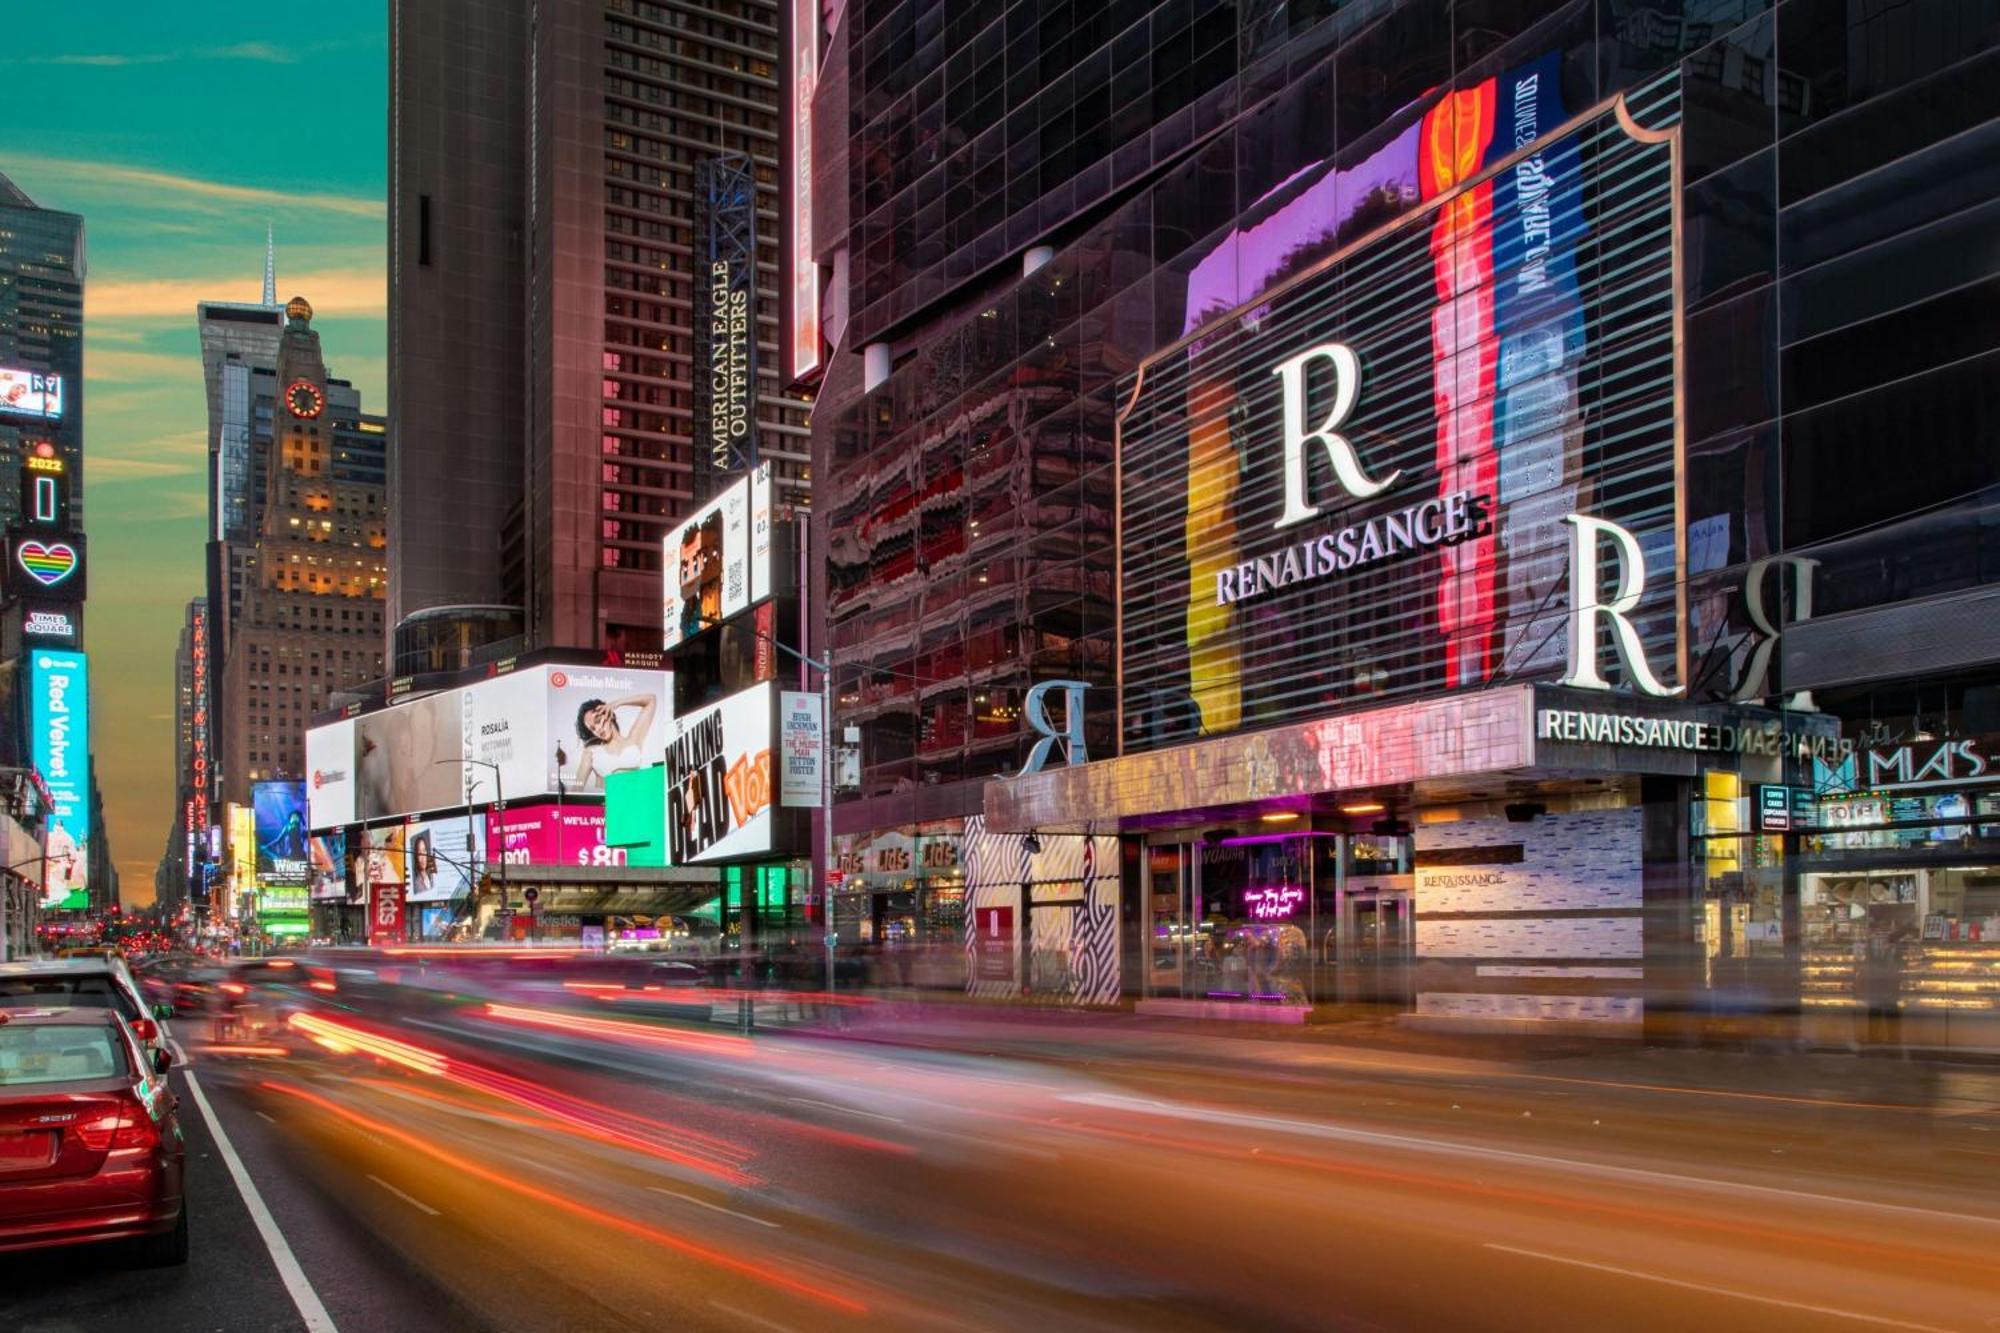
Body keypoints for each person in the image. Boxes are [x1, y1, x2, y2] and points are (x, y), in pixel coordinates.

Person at [570, 693, 660, 789]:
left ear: (609, 713)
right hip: (609, 802)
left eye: (597, 720)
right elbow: (576, 789)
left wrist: (617, 703)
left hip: (635, 801)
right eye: (593, 729)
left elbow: (651, 700)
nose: (598, 729)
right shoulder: (592, 752)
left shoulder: (633, 740)